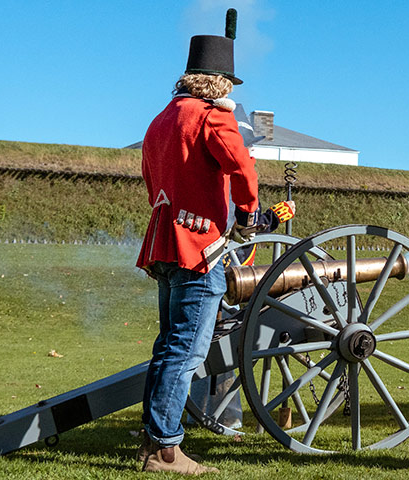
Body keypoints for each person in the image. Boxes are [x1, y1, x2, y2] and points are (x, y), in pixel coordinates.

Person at [134, 9, 289, 474]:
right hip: (200, 248)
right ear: (221, 83)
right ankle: (165, 448)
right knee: (186, 351)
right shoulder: (212, 119)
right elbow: (243, 169)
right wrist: (246, 216)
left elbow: (149, 179)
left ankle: (154, 441)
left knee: (168, 345)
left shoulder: (161, 119)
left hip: (162, 243)